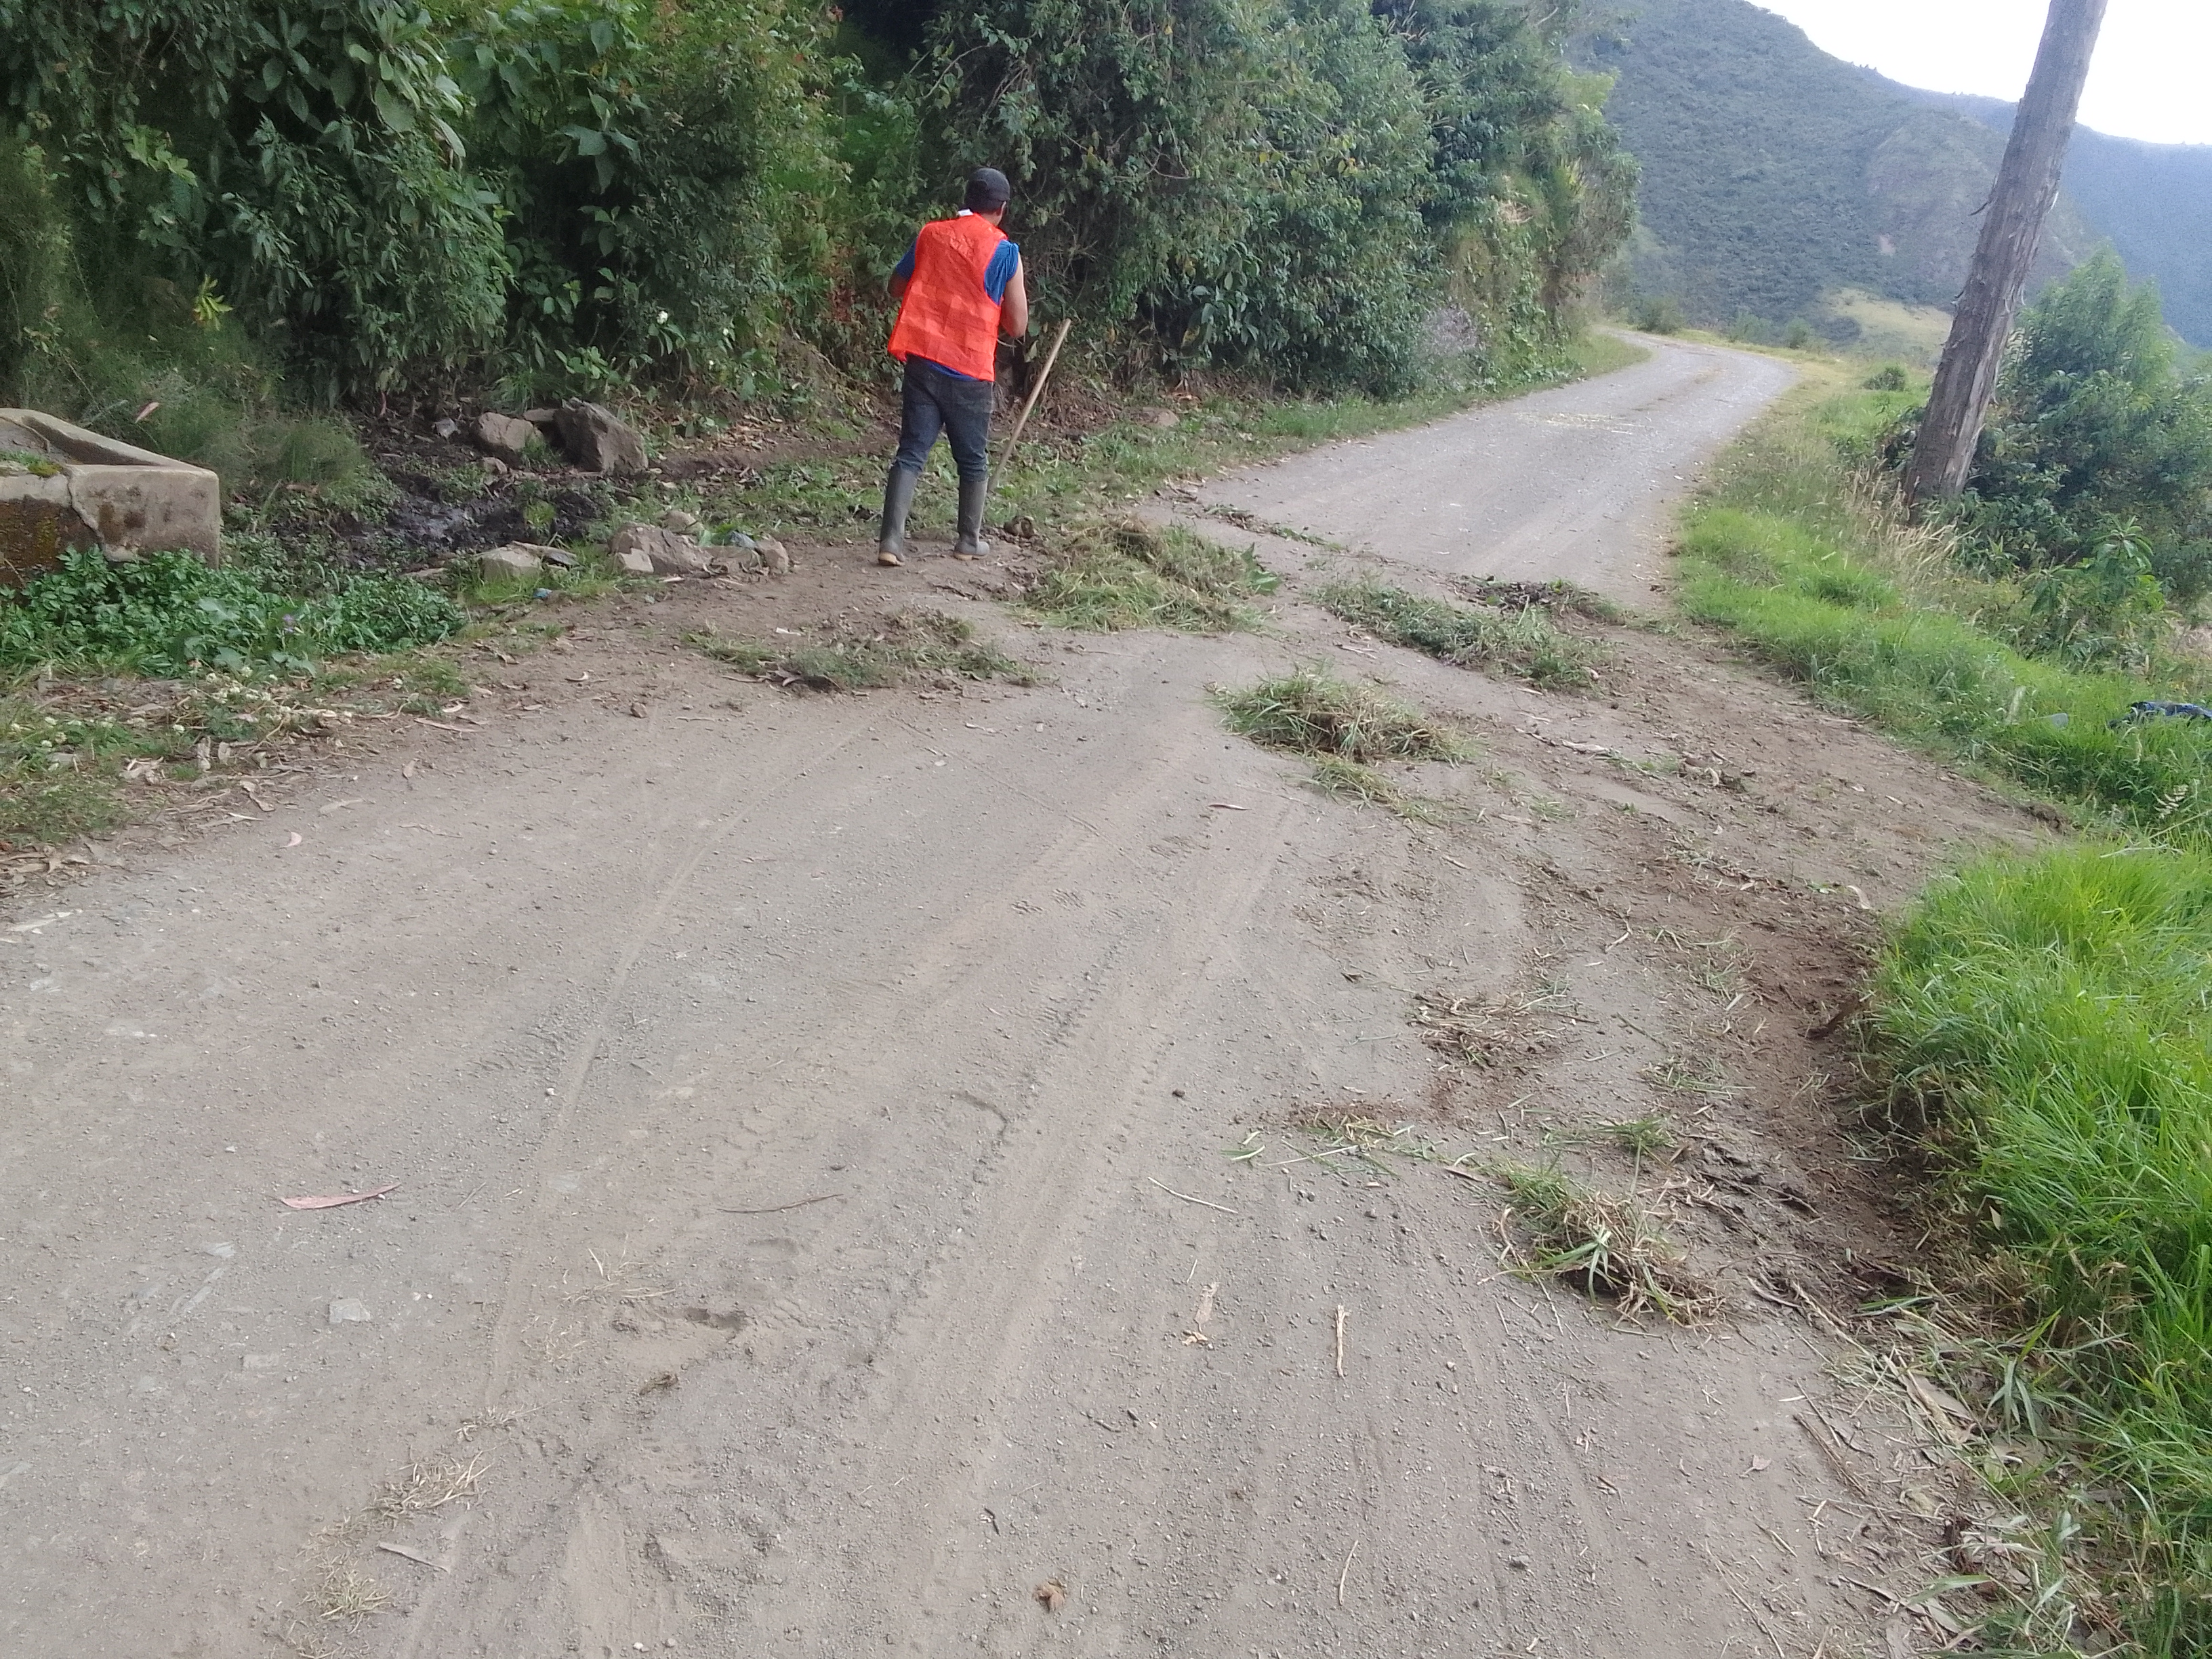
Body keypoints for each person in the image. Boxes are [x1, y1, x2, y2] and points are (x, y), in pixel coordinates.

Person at [875, 167, 1030, 567]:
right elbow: (1017, 326)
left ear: (967, 200)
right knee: (973, 459)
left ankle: (891, 542)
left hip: (924, 361)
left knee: (911, 452)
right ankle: (968, 540)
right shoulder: (1005, 254)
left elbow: (895, 286)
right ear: (1002, 209)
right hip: (969, 371)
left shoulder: (931, 235)